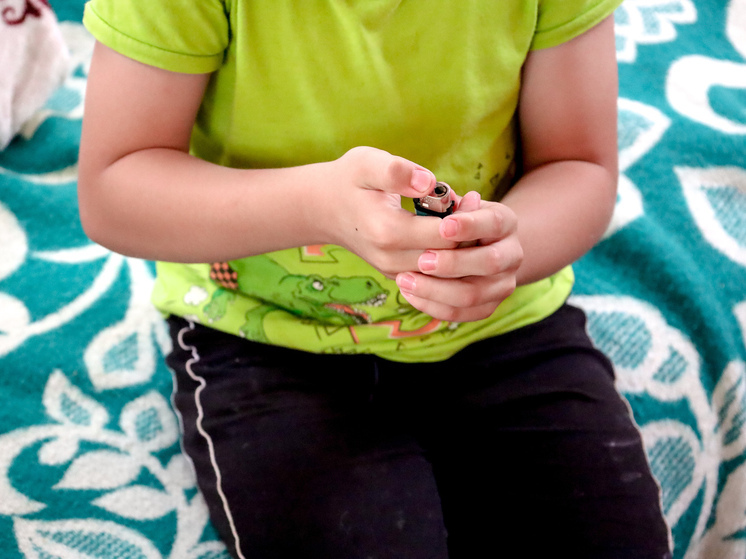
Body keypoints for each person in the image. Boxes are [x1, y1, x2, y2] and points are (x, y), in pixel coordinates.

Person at [78, 1, 672, 557]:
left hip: (502, 322)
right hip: (261, 332)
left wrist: (503, 256)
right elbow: (114, 190)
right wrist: (314, 206)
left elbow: (577, 164)